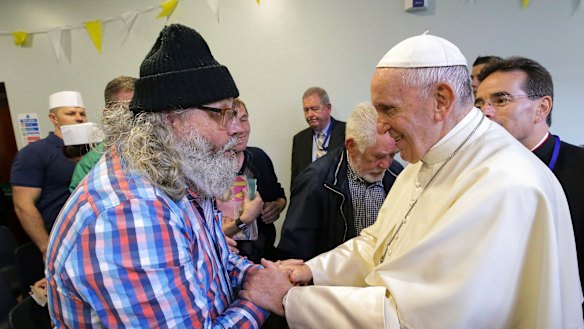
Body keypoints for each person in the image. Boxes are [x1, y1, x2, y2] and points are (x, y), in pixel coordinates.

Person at [240, 34, 583, 328]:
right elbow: (377, 244)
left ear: (441, 100)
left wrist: (290, 300)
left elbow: (415, 319)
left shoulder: (501, 183)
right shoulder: (427, 161)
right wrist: (311, 272)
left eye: (388, 109)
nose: (380, 128)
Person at [46, 24, 272, 328]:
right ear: (171, 119)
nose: (235, 128)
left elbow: (214, 261)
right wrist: (258, 300)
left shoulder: (183, 172)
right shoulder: (128, 213)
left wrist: (257, 276)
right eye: (222, 113)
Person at [476, 56, 584, 315]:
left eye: (501, 100)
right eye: (479, 103)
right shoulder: (476, 171)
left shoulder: (579, 168)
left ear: (542, 108)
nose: (485, 112)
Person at [278, 102, 403, 261]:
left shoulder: (397, 175)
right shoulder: (314, 182)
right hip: (332, 282)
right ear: (351, 146)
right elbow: (295, 253)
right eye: (378, 156)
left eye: (392, 155)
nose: (386, 164)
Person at [10, 90, 87, 256]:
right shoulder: (35, 153)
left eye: (82, 113)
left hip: (89, 235)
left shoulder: (92, 151)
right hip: (59, 238)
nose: (79, 118)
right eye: (70, 113)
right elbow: (23, 205)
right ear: (54, 118)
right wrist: (47, 248)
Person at [218, 98, 287, 263]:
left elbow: (279, 196)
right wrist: (244, 220)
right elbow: (203, 238)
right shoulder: (205, 170)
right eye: (232, 121)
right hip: (228, 266)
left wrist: (276, 206)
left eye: (244, 119)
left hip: (265, 259)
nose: (240, 129)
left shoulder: (259, 159)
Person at [69, 76, 136, 192]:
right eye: (127, 109)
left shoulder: (161, 152)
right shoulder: (90, 164)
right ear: (108, 113)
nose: (137, 116)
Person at [290, 87, 346, 185]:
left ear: (328, 108)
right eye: (306, 110)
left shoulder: (347, 133)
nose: (309, 115)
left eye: (314, 109)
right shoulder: (299, 139)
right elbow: (296, 180)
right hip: (309, 198)